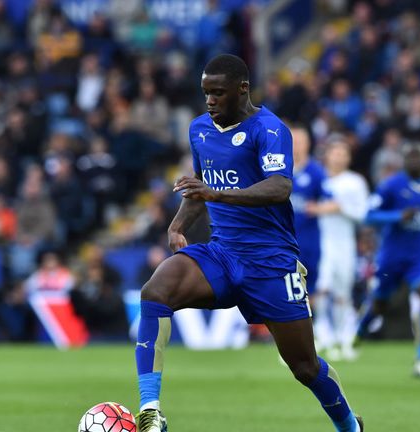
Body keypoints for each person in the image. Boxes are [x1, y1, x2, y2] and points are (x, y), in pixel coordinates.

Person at [134, 54, 363, 432]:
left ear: (242, 89)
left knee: (305, 367)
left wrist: (217, 195)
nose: (210, 101)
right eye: (206, 93)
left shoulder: (269, 129)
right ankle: (150, 411)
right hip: (223, 254)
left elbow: (279, 188)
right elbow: (201, 186)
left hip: (271, 262)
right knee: (156, 290)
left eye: (218, 93)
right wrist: (177, 225)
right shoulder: (199, 129)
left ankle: (350, 426)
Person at [356, 143, 420, 379]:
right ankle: (359, 333)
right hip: (392, 256)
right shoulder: (391, 185)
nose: (415, 161)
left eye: (419, 157)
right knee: (380, 305)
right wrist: (398, 216)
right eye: (411, 157)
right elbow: (369, 216)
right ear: (404, 161)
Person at [306, 140, 369, 361]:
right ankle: (324, 335)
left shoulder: (355, 182)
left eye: (343, 153)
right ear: (327, 156)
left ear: (348, 158)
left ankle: (343, 336)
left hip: (344, 244)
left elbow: (363, 213)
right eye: (335, 153)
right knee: (321, 289)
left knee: (343, 292)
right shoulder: (317, 178)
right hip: (321, 242)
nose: (339, 157)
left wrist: (339, 207)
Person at [288, 126, 328, 329]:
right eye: (293, 141)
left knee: (310, 289)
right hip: (285, 242)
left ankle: (313, 330)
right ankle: (293, 332)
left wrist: (318, 208)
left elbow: (333, 201)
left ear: (308, 144)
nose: (296, 146)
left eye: (300, 141)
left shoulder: (316, 172)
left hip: (310, 241)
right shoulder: (277, 169)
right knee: (290, 289)